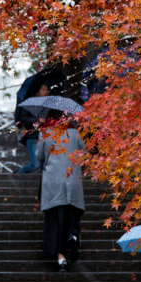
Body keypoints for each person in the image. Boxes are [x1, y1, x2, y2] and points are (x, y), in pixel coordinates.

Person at [36, 110, 85, 271]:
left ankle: (61, 259)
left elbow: (39, 156)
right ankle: (72, 236)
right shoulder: (75, 132)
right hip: (73, 180)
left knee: (56, 220)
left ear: (51, 118)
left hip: (54, 182)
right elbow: (83, 153)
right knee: (72, 215)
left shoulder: (46, 132)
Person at [15, 82, 50, 174]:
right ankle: (17, 174)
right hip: (32, 136)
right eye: (43, 89)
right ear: (37, 92)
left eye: (47, 90)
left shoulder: (48, 105)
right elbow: (22, 118)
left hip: (45, 137)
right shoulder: (30, 103)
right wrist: (37, 120)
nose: (46, 92)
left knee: (44, 165)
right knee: (35, 164)